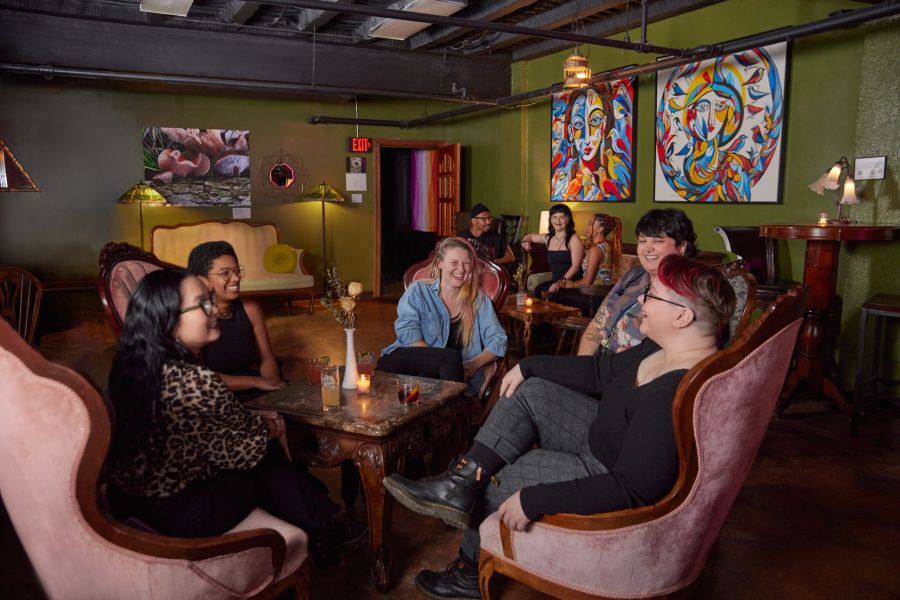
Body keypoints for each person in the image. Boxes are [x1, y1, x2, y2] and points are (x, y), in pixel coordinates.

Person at [382, 255, 736, 599]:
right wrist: (530, 365)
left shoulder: (677, 394)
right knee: (531, 389)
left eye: (652, 294)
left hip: (601, 468)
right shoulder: (662, 347)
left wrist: (533, 499)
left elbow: (632, 488)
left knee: (503, 480)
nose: (641, 299)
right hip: (600, 432)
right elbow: (600, 373)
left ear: (682, 316)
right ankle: (457, 482)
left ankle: (467, 573)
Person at [105, 269, 358, 566]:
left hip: (133, 501)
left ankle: (320, 520)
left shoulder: (130, 367)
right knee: (268, 456)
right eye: (202, 304)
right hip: (185, 514)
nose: (213, 310)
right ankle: (324, 527)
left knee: (267, 450)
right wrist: (269, 426)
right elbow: (243, 453)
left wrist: (254, 421)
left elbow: (201, 433)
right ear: (170, 322)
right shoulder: (196, 380)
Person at [377, 237, 507, 397]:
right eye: (454, 263)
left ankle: (445, 412)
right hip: (407, 362)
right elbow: (407, 333)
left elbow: (498, 339)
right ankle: (455, 413)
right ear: (439, 263)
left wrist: (476, 363)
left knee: (439, 375)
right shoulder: (418, 290)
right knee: (450, 357)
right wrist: (438, 361)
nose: (461, 269)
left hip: (446, 376)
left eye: (466, 263)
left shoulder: (477, 299)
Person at [577, 208, 697, 356]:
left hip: (630, 368)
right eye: (642, 241)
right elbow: (596, 325)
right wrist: (584, 365)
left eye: (657, 241)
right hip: (598, 361)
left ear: (681, 248)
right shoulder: (633, 277)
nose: (647, 248)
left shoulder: (685, 289)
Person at [187, 241, 285, 401]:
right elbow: (201, 378)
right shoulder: (194, 318)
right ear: (203, 280)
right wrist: (257, 382)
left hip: (257, 387)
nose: (236, 278)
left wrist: (275, 389)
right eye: (225, 273)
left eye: (237, 270)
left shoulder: (251, 308)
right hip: (217, 395)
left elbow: (266, 358)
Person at [547, 213, 622, 316]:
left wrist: (572, 284)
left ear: (600, 229)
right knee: (559, 290)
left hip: (593, 297)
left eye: (590, 224)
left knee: (554, 294)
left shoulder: (595, 250)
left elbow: (587, 281)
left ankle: (552, 330)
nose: (587, 227)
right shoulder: (606, 245)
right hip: (600, 295)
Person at [520, 204, 584, 299]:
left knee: (553, 295)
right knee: (539, 290)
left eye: (561, 217)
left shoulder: (574, 239)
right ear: (550, 219)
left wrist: (560, 282)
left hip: (570, 283)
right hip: (554, 282)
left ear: (568, 219)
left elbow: (575, 267)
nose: (558, 221)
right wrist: (525, 242)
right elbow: (528, 237)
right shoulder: (548, 238)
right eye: (554, 217)